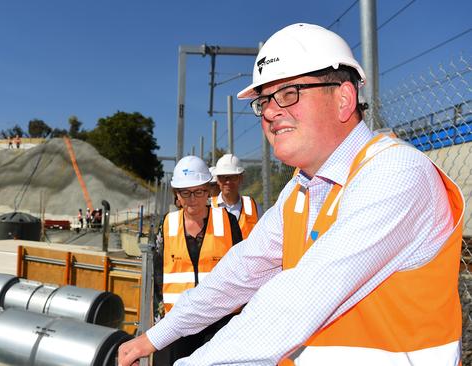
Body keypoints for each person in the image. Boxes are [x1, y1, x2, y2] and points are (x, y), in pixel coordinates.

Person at [118, 23, 463, 366]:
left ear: (344, 98)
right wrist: (155, 337)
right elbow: (241, 270)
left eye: (289, 93)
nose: (269, 111)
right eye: (265, 99)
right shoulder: (301, 189)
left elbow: (300, 300)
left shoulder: (395, 175)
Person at [151, 155, 242, 365]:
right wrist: (159, 321)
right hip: (179, 322)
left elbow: (241, 269)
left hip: (220, 320)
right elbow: (158, 277)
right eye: (186, 192)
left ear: (208, 191)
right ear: (177, 195)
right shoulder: (167, 225)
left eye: (198, 191)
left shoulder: (227, 222)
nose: (192, 199)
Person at [211, 154, 259, 239]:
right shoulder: (208, 206)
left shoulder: (254, 207)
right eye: (223, 177)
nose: (228, 182)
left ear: (241, 179)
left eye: (233, 177)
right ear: (217, 180)